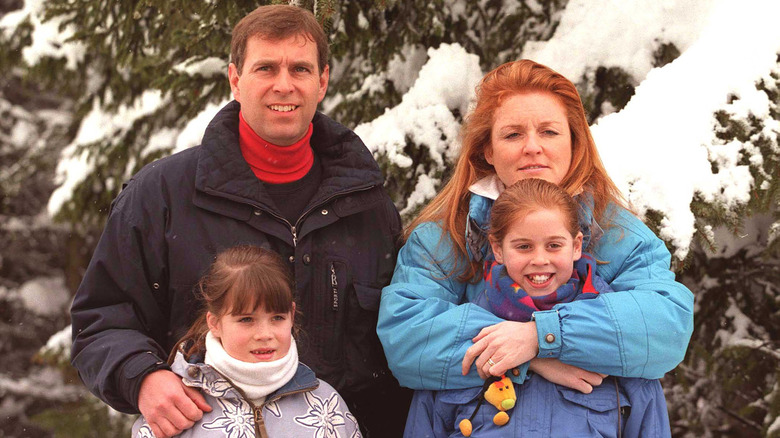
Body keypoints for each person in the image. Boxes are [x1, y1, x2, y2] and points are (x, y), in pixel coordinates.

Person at [71, 5, 408, 438]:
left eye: (300, 69)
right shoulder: (162, 196)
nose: (283, 85)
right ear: (235, 79)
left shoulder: (366, 203)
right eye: (265, 67)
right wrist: (142, 378)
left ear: (322, 81)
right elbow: (101, 319)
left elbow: (397, 346)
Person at [377, 59, 693, 419]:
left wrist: (539, 337)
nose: (532, 147)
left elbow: (665, 326)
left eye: (549, 132)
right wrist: (529, 357)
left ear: (575, 142)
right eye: (513, 134)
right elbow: (406, 338)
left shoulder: (618, 234)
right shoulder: (444, 238)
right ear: (488, 150)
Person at [404, 179, 671, 437]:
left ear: (576, 245)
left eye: (554, 245)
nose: (540, 259)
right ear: (498, 249)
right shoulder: (458, 337)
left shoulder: (618, 341)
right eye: (523, 246)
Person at [132, 246, 361, 437]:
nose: (264, 334)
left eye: (277, 318)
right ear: (215, 323)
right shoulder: (176, 404)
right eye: (246, 319)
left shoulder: (326, 404)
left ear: (292, 315)